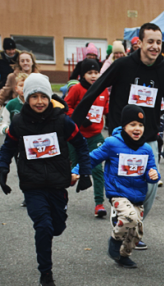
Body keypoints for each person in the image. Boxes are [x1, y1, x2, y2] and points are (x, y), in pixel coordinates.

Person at [71, 22, 164, 249]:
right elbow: (97, 87)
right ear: (139, 42)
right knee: (121, 182)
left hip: (149, 137)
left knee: (149, 187)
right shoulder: (123, 65)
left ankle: (132, 223)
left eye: (158, 42)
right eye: (150, 41)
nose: (154, 46)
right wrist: (75, 121)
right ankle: (124, 220)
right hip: (119, 137)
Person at [0, 73, 91, 286]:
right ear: (26, 98)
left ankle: (54, 228)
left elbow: (81, 144)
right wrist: (2, 169)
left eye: (43, 96)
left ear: (49, 97)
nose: (39, 101)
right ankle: (46, 275)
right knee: (44, 226)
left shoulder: (62, 120)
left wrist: (84, 172)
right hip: (32, 185)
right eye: (34, 96)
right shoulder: (19, 123)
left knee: (57, 226)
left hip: (58, 183)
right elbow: (8, 148)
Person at [74, 105, 159, 268]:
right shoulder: (112, 143)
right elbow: (92, 159)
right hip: (118, 193)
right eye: (133, 124)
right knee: (130, 217)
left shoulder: (146, 148)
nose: (137, 128)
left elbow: (151, 170)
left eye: (141, 125)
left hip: (137, 195)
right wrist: (77, 171)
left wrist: (153, 175)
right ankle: (114, 240)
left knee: (137, 233)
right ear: (124, 126)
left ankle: (123, 256)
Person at [65, 58, 110, 218]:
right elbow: (66, 106)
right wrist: (80, 116)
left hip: (95, 136)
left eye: (96, 72)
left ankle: (99, 204)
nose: (93, 76)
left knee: (97, 168)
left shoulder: (103, 90)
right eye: (89, 73)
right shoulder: (77, 89)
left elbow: (106, 109)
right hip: (76, 135)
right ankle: (62, 198)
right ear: (83, 74)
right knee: (74, 169)